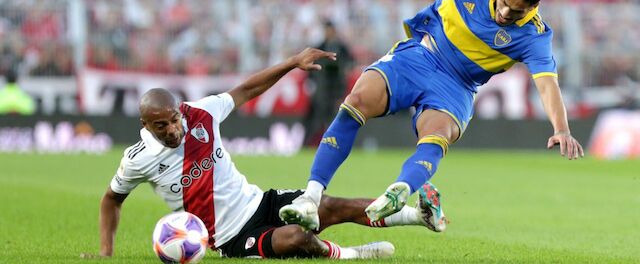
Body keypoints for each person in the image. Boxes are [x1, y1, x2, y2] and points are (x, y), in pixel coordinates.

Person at [279, 0, 585, 231]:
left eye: (516, 10)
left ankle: (401, 190)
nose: (505, 12)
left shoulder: (535, 35)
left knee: (436, 135)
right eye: (504, 1)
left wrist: (561, 128)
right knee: (355, 103)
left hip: (457, 86)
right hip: (422, 55)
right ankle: (310, 199)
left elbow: (547, 83)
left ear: (534, 7)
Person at [86, 48, 446, 260]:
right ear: (146, 126)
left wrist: (292, 62)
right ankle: (351, 254)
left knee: (331, 206)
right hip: (229, 236)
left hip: (259, 202)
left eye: (174, 119)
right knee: (296, 237)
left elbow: (247, 88)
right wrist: (106, 252)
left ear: (180, 111)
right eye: (162, 126)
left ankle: (421, 217)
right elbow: (110, 200)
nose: (173, 129)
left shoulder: (202, 113)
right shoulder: (138, 158)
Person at [303, 20, 353, 146]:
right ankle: (312, 142)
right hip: (322, 89)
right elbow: (310, 69)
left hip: (336, 89)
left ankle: (334, 142)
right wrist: (312, 84)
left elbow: (351, 62)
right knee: (318, 117)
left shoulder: (341, 48)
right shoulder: (319, 47)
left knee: (335, 117)